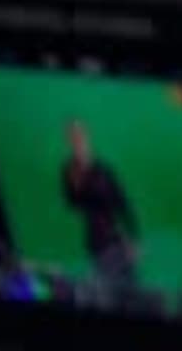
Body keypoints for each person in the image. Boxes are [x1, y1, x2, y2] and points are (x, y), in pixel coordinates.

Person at [60, 118, 140, 293]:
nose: (77, 139)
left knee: (132, 290)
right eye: (73, 135)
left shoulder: (104, 169)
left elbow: (123, 203)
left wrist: (134, 239)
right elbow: (73, 203)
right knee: (111, 291)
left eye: (80, 134)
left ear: (87, 135)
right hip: (97, 241)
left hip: (119, 239)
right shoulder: (69, 171)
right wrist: (77, 184)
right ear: (68, 140)